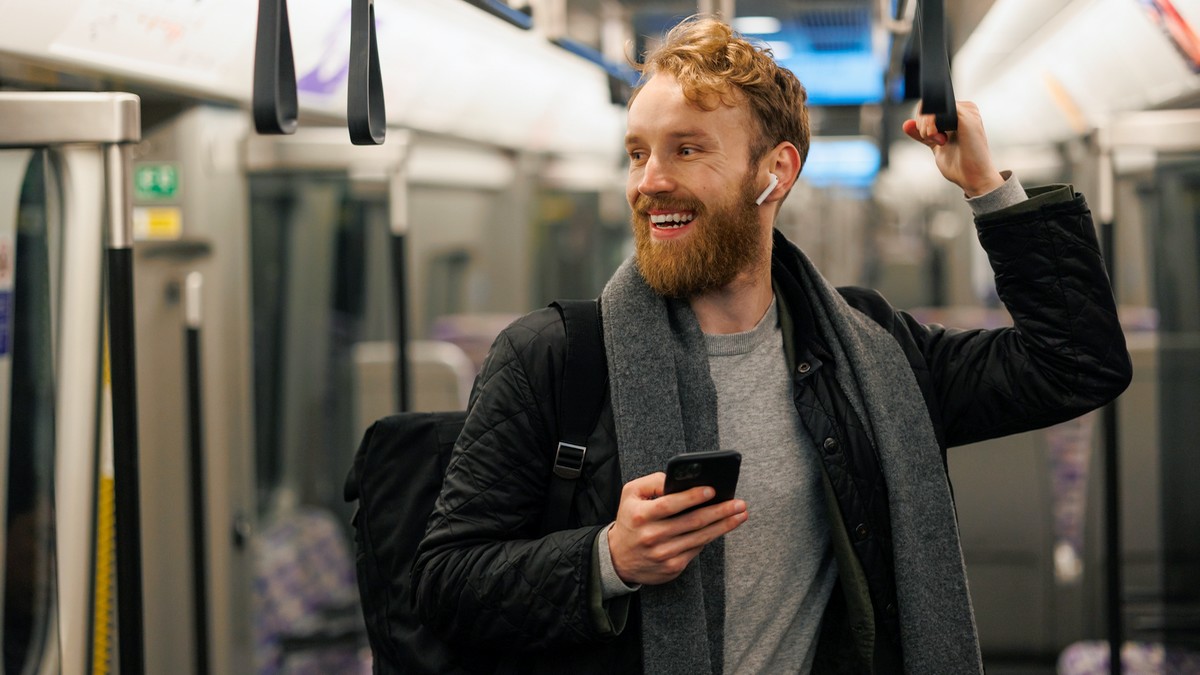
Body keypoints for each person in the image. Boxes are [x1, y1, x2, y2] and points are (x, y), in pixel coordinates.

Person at [412, 16, 1132, 674]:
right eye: (638, 153)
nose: (649, 182)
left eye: (686, 149)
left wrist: (987, 187)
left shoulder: (869, 355)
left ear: (775, 172)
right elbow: (443, 583)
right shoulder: (555, 358)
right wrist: (607, 559)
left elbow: (1074, 363)